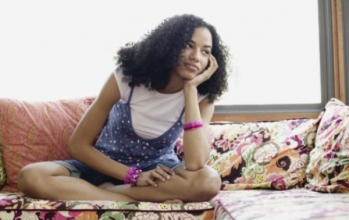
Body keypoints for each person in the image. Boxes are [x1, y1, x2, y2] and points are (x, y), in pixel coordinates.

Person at [17, 14, 229, 203]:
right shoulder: (127, 79)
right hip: (104, 165)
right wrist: (133, 176)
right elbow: (78, 145)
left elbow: (195, 163)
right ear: (170, 45)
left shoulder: (203, 97)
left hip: (157, 173)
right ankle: (121, 197)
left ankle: (104, 193)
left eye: (205, 52)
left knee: (208, 181)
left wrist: (190, 90)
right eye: (188, 45)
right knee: (31, 176)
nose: (196, 57)